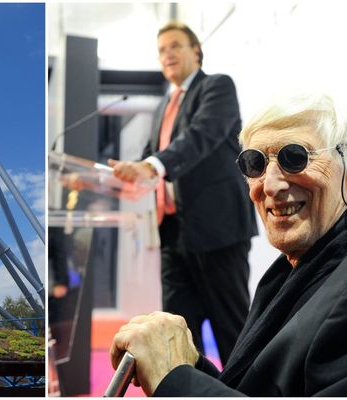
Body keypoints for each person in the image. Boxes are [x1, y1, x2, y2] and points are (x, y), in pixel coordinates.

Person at [109, 92, 347, 396]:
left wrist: (175, 380)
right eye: (255, 164)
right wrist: (184, 362)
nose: (270, 185)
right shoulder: (288, 272)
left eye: (295, 157)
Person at [108, 21, 257, 365]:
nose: (168, 54)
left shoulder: (217, 87)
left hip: (217, 229)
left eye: (175, 46)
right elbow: (150, 156)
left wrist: (152, 166)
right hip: (174, 233)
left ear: (196, 52)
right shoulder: (164, 106)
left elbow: (201, 136)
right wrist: (106, 177)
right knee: (176, 332)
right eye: (162, 50)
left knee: (232, 329)